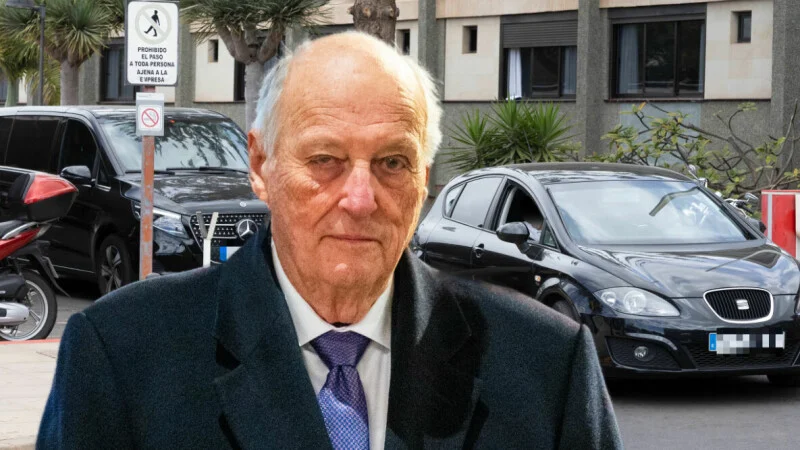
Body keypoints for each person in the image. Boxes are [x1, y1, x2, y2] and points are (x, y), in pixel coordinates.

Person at [37, 32, 622, 449]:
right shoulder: (122, 352)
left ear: (424, 180)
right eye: (325, 159)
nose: (360, 199)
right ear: (261, 166)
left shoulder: (546, 362)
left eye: (392, 162)